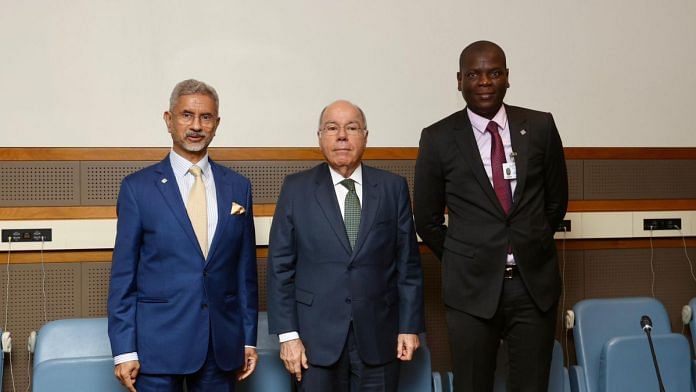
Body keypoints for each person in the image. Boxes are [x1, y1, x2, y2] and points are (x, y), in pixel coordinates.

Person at [414, 41, 568, 391]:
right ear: (459, 81)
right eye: (474, 74)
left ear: (507, 79)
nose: (484, 81)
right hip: (470, 289)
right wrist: (464, 256)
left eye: (494, 73)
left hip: (533, 287)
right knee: (472, 384)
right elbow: (426, 219)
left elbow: (557, 201)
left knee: (531, 384)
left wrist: (531, 242)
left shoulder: (540, 126)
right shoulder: (438, 138)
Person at [107, 79, 258, 392]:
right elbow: (123, 278)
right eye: (186, 115)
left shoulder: (238, 187)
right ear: (168, 120)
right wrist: (124, 349)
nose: (196, 126)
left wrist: (248, 339)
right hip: (156, 349)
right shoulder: (137, 189)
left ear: (217, 124)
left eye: (206, 117)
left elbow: (245, 275)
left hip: (221, 348)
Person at [267, 100, 424, 391]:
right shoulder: (295, 188)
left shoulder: (393, 187)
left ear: (365, 136)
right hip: (313, 343)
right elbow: (279, 267)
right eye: (332, 128)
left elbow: (408, 264)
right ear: (320, 137)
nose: (342, 135)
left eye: (351, 127)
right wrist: (288, 335)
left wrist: (409, 325)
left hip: (380, 337)